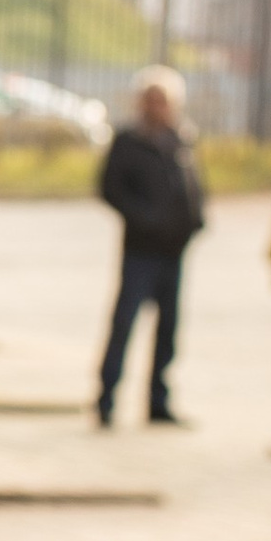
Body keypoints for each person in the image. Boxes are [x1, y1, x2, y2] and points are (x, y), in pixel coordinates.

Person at [95, 65, 206, 429]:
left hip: (173, 250)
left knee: (168, 329)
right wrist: (145, 217)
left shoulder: (180, 140)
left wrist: (196, 219)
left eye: (164, 101)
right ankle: (107, 397)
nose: (157, 108)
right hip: (141, 249)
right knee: (125, 322)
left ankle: (158, 401)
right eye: (152, 100)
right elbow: (110, 188)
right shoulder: (130, 140)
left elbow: (193, 187)